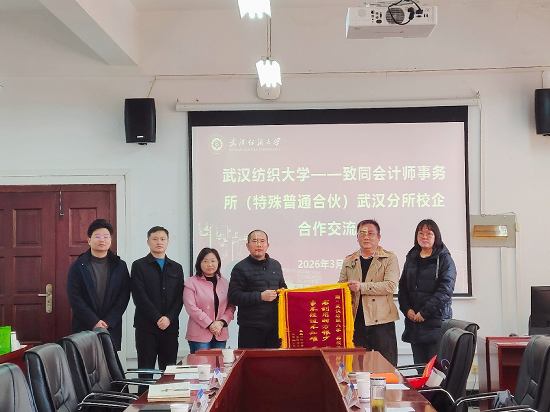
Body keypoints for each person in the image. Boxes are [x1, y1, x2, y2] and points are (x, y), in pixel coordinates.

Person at [338, 219, 400, 366]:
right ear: (357, 237)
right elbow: (341, 286)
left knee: (386, 366)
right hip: (357, 321)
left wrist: (362, 287)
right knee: (357, 367)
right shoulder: (349, 260)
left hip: (382, 321)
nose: (366, 237)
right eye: (362, 233)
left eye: (371, 234)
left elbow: (390, 286)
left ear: (379, 237)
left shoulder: (389, 258)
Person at [398, 219, 456, 364]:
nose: (424, 237)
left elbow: (445, 291)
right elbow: (403, 286)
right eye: (421, 233)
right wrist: (407, 309)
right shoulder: (411, 258)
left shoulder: (445, 259)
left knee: (434, 371)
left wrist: (424, 313)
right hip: (414, 325)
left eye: (429, 233)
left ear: (436, 236)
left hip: (436, 324)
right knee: (420, 369)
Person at [67, 218, 130, 350]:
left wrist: (109, 321)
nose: (102, 239)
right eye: (97, 236)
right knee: (85, 360)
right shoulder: (78, 266)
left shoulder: (120, 266)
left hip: (110, 327)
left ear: (111, 240)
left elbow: (123, 296)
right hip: (84, 326)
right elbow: (74, 297)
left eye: (106, 236)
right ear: (89, 240)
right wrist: (94, 322)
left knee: (108, 360)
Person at [131, 226, 184, 377]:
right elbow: (139, 296)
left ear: (168, 242)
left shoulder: (176, 268)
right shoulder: (139, 265)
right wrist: (157, 318)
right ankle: (144, 394)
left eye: (162, 239)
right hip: (146, 327)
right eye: (155, 239)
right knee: (145, 371)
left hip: (170, 327)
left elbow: (180, 297)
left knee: (169, 373)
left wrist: (169, 318)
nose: (159, 242)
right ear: (148, 242)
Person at [228, 230, 287, 349]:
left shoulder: (276, 265)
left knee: (275, 360)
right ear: (247, 246)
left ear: (267, 245)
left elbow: (283, 286)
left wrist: (283, 291)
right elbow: (234, 296)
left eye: (262, 241)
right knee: (251, 360)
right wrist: (260, 296)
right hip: (251, 328)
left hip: (275, 327)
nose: (258, 244)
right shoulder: (240, 268)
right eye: (254, 241)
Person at [183, 248, 235, 354]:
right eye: (205, 261)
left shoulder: (225, 283)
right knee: (201, 363)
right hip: (199, 334)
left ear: (218, 262)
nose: (210, 264)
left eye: (213, 261)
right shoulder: (191, 282)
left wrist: (221, 323)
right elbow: (191, 307)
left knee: (218, 363)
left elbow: (231, 306)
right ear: (199, 263)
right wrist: (210, 324)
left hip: (220, 332)